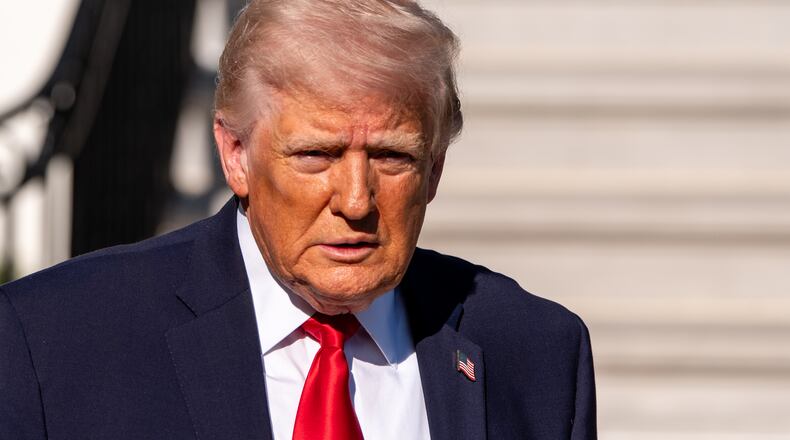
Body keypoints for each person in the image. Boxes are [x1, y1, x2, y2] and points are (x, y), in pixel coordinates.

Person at [0, 1, 596, 439]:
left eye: (392, 157)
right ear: (236, 155)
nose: (356, 201)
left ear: (435, 169)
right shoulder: (54, 342)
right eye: (317, 155)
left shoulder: (536, 351)